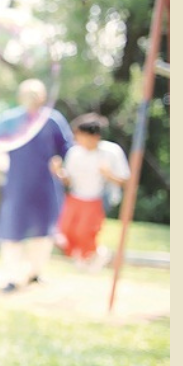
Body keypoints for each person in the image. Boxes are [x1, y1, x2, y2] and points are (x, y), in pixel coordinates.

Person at [0, 78, 74, 293]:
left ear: (44, 96)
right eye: (28, 93)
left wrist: (62, 165)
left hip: (45, 185)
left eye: (36, 93)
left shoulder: (52, 120)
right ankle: (11, 277)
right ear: (20, 96)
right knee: (13, 231)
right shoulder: (10, 120)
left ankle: (35, 273)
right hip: (17, 184)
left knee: (43, 231)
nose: (33, 98)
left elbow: (67, 148)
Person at [51, 113, 129, 271]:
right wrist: (58, 172)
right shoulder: (75, 153)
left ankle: (94, 255)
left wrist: (108, 175)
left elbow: (125, 180)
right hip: (75, 196)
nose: (77, 139)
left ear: (94, 137)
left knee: (84, 232)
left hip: (97, 198)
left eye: (80, 136)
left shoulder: (111, 152)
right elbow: (68, 180)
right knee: (64, 231)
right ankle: (94, 255)